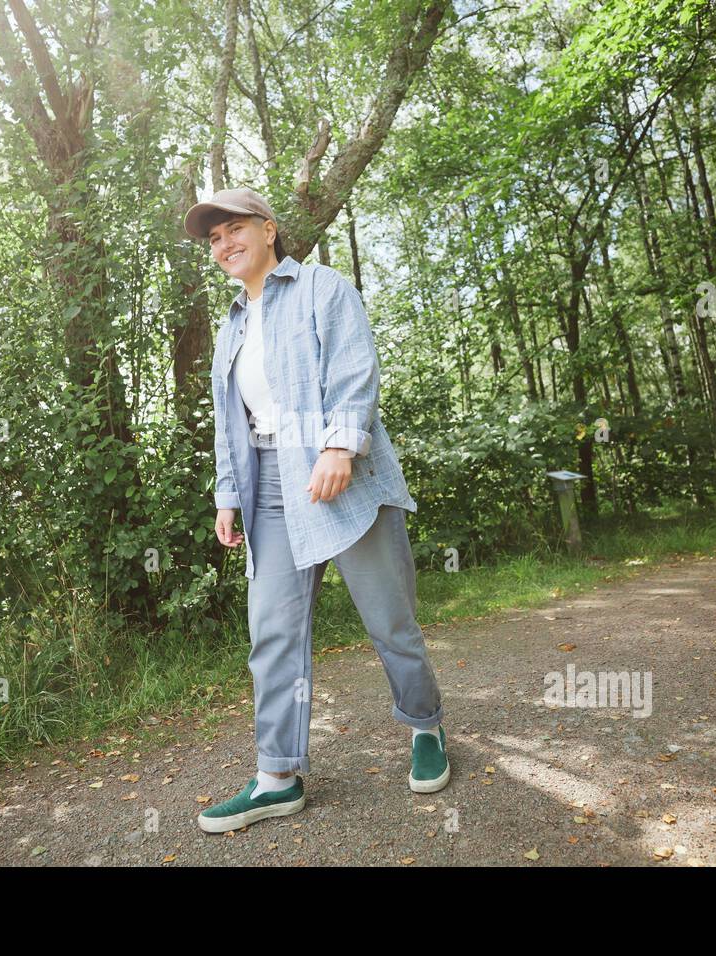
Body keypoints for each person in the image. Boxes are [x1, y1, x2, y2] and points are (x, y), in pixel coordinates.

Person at [183, 186, 447, 835]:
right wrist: (226, 494)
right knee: (271, 630)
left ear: (269, 231)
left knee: (390, 619)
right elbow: (229, 424)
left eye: (235, 229)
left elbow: (355, 370)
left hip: (340, 474)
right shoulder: (230, 330)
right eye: (213, 239)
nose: (224, 245)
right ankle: (275, 775)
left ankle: (426, 728)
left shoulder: (322, 288)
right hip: (267, 485)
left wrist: (339, 445)